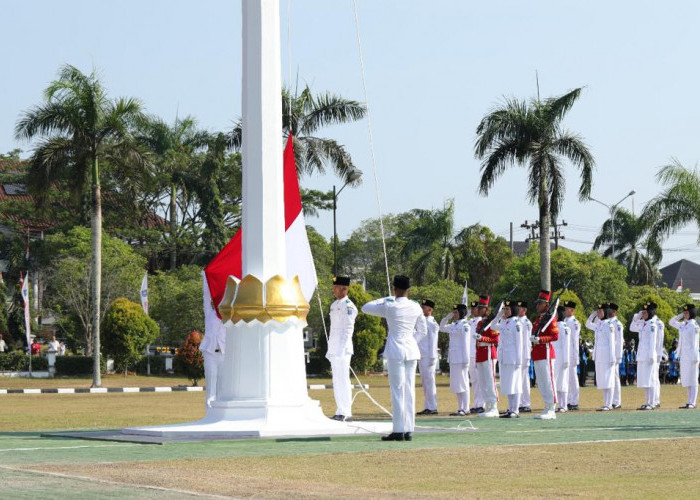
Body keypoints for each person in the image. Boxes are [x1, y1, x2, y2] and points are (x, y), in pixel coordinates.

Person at [362, 275, 427, 441]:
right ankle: (408, 429)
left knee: (397, 390)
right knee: (409, 389)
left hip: (396, 351)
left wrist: (387, 298)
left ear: (395, 289)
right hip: (411, 351)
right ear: (409, 290)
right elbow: (423, 331)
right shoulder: (416, 307)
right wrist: (412, 341)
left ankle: (398, 430)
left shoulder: (389, 306)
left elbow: (365, 307)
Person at [326, 276, 358, 422]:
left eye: (336, 287)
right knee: (336, 380)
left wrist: (341, 348)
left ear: (344, 289)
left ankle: (346, 412)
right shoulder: (334, 305)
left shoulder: (349, 306)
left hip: (343, 349)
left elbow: (348, 329)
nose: (333, 290)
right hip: (334, 348)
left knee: (343, 379)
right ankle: (340, 410)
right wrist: (331, 349)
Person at [530, 290, 559, 419]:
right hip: (537, 353)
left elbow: (555, 336)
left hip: (546, 352)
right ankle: (546, 406)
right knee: (541, 381)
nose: (537, 306)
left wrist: (541, 340)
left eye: (540, 303)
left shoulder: (550, 319)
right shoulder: (538, 320)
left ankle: (552, 408)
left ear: (546, 305)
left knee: (548, 380)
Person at [440, 304, 471, 416]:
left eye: (456, 312)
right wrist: (447, 317)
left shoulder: (465, 325)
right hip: (453, 358)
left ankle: (466, 408)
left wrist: (466, 359)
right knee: (457, 384)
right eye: (453, 312)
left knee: (464, 383)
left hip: (462, 358)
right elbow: (441, 327)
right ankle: (460, 407)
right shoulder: (453, 325)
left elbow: (466, 344)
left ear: (462, 313)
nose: (454, 314)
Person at [630, 302, 661, 410]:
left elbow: (653, 341)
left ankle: (652, 402)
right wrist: (637, 316)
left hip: (649, 355)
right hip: (642, 355)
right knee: (645, 380)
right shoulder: (643, 323)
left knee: (651, 379)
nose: (643, 314)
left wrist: (652, 355)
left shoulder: (652, 324)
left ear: (650, 313)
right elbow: (632, 327)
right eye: (642, 312)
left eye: (644, 312)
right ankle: (647, 401)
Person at [586, 303, 617, 411]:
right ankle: (605, 403)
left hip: (607, 356)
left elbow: (612, 343)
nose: (598, 313)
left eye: (600, 311)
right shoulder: (599, 324)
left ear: (606, 312)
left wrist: (612, 358)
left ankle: (609, 404)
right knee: (603, 380)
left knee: (609, 380)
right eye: (598, 311)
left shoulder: (609, 325)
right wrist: (592, 315)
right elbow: (587, 324)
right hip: (599, 356)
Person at [200, 287, 227, 409]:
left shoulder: (229, 317)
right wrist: (206, 279)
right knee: (211, 384)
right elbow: (206, 297)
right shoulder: (209, 313)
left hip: (224, 353)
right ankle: (209, 410)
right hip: (210, 353)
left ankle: (220, 411)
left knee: (222, 386)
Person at [496, 301, 523, 418]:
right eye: (504, 309)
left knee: (515, 384)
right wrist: (498, 316)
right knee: (507, 384)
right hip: (504, 357)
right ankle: (510, 408)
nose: (505, 311)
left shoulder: (516, 323)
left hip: (513, 358)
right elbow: (492, 326)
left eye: (507, 309)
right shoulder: (504, 322)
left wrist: (519, 360)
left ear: (513, 310)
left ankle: (515, 410)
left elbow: (519, 343)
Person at [473, 303, 500, 418]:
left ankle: (494, 407)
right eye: (477, 308)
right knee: (483, 382)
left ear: (486, 309)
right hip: (480, 353)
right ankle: (488, 405)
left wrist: (482, 338)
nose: (478, 309)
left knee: (490, 380)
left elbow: (495, 339)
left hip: (489, 352)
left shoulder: (492, 322)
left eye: (480, 308)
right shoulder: (480, 323)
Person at [669, 304, 699, 409]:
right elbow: (671, 322)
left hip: (692, 356)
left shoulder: (694, 325)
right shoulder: (683, 324)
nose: (685, 314)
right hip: (684, 356)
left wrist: (696, 357)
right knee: (687, 379)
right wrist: (680, 315)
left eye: (687, 313)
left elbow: (695, 343)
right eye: (684, 312)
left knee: (693, 379)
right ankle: (689, 401)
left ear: (692, 313)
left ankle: (693, 402)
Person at [416, 299, 439, 415]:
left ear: (430, 309)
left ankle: (433, 407)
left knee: (429, 382)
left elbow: (433, 341)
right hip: (422, 354)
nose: (422, 309)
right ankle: (428, 406)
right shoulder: (422, 321)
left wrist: (432, 357)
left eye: (424, 307)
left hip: (428, 356)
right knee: (425, 382)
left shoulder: (431, 322)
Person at [468, 296, 489, 413]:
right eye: (472, 309)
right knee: (474, 381)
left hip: (477, 353)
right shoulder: (470, 322)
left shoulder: (482, 323)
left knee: (481, 380)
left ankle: (482, 403)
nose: (472, 311)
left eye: (475, 309)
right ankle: (476, 403)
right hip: (470, 353)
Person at [552, 305, 571, 412]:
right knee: (555, 382)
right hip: (554, 356)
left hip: (562, 357)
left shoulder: (564, 327)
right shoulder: (554, 326)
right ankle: (558, 404)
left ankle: (563, 405)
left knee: (562, 382)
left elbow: (566, 345)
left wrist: (566, 360)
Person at [563, 301, 581, 410]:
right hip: (565, 353)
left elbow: (575, 340)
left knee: (573, 379)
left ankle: (574, 401)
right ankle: (568, 400)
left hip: (571, 353)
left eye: (567, 309)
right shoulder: (564, 321)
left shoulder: (575, 323)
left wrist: (575, 356)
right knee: (566, 378)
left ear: (572, 310)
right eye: (564, 309)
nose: (565, 311)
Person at [517, 301, 533, 413]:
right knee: (518, 379)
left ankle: (526, 403)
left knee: (524, 379)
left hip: (524, 354)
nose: (518, 309)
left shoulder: (527, 322)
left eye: (520, 308)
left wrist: (526, 354)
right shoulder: (515, 320)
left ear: (524, 310)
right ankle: (518, 403)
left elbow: (526, 341)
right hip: (517, 354)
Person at [609, 303, 624, 408]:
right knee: (610, 378)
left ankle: (617, 401)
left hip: (614, 354)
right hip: (608, 355)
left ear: (614, 312)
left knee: (615, 377)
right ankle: (611, 400)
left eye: (610, 310)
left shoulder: (617, 324)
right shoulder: (607, 322)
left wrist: (618, 356)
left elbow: (619, 341)